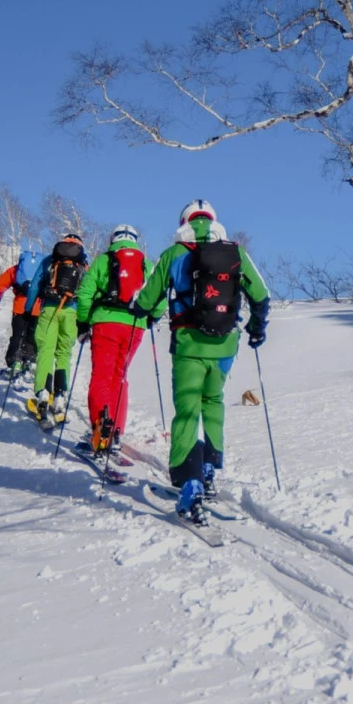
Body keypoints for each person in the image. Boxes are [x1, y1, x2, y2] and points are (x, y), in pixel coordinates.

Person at [132, 199, 268, 521]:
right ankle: (209, 468)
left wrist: (142, 312)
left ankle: (188, 483)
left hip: (188, 346)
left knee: (187, 410)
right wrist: (256, 328)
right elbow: (261, 295)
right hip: (224, 345)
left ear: (184, 222)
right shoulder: (236, 253)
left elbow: (147, 299)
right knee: (213, 401)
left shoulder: (174, 253)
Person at [74, 223, 157, 455]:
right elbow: (158, 295)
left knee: (101, 376)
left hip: (105, 324)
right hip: (134, 327)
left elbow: (85, 294)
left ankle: (101, 431)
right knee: (119, 377)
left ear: (113, 239)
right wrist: (152, 317)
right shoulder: (146, 264)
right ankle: (116, 431)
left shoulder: (103, 260)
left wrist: (83, 322)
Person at [24, 231, 88, 426]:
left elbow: (35, 285)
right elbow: (86, 293)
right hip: (71, 312)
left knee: (45, 351)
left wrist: (28, 309)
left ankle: (43, 394)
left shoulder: (50, 260)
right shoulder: (83, 264)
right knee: (63, 353)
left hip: (49, 310)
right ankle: (59, 396)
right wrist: (84, 320)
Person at [0, 245, 44, 380]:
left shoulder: (16, 270)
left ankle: (15, 362)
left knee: (18, 335)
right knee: (32, 336)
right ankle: (30, 362)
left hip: (20, 307)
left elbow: (0, 285)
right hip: (37, 308)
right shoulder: (42, 270)